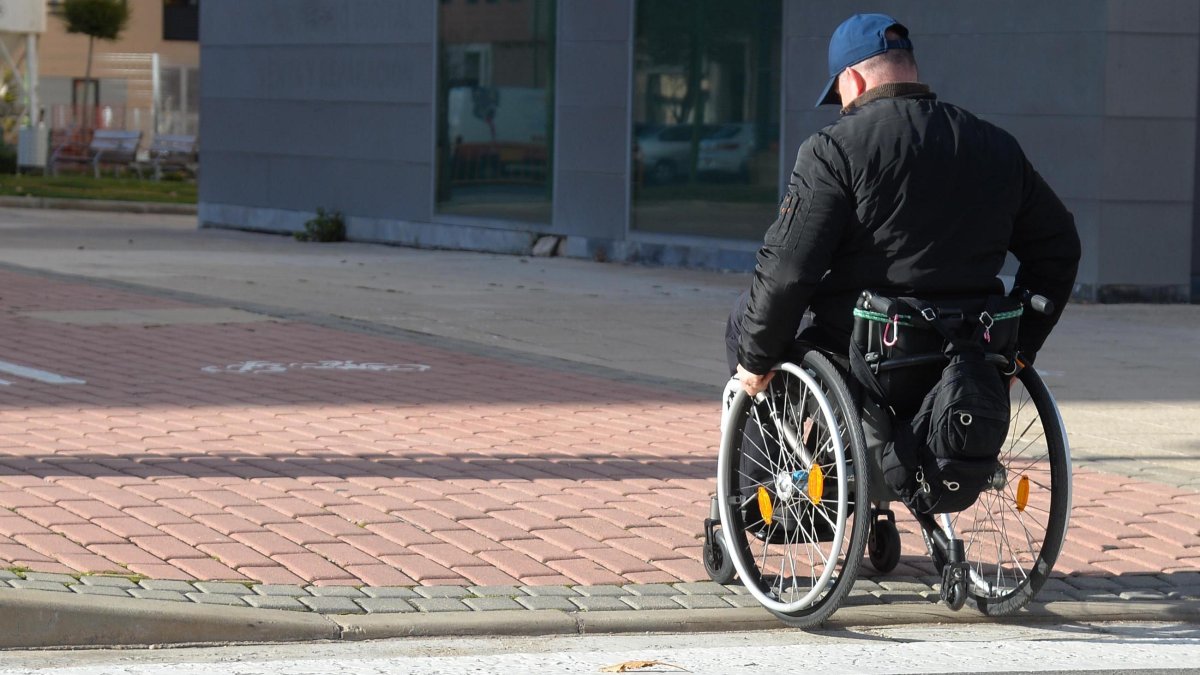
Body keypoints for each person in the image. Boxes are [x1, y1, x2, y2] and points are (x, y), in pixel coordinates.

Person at [725, 13, 1080, 399]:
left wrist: (755, 360)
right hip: (974, 345)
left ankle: (771, 454)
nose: (842, 108)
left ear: (853, 80)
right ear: (910, 72)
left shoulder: (833, 149)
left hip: (870, 345)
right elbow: (1058, 246)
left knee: (747, 316)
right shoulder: (995, 145)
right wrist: (1019, 349)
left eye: (839, 96)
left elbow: (789, 268)